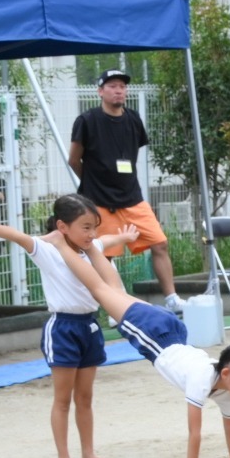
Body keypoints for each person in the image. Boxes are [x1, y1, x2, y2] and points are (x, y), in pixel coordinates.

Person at [51, 227, 230, 458]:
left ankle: (90, 247)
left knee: (114, 291)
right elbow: (194, 432)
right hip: (154, 335)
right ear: (227, 373)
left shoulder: (225, 385)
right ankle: (62, 245)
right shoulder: (202, 379)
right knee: (100, 289)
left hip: (172, 330)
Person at [0, 195, 115, 458]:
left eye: (94, 227)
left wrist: (125, 236)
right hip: (63, 329)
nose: (92, 234)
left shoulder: (91, 249)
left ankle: (88, 453)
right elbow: (15, 235)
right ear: (62, 227)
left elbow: (108, 240)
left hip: (89, 326)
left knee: (85, 397)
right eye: (86, 227)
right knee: (62, 399)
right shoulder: (47, 250)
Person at [70, 69, 177, 309]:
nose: (119, 90)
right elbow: (74, 160)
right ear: (100, 91)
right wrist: (92, 183)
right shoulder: (87, 120)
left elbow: (131, 154)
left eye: (122, 86)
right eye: (112, 86)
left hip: (132, 198)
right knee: (103, 254)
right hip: (99, 201)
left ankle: (172, 299)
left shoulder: (133, 119)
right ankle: (113, 305)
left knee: (159, 243)